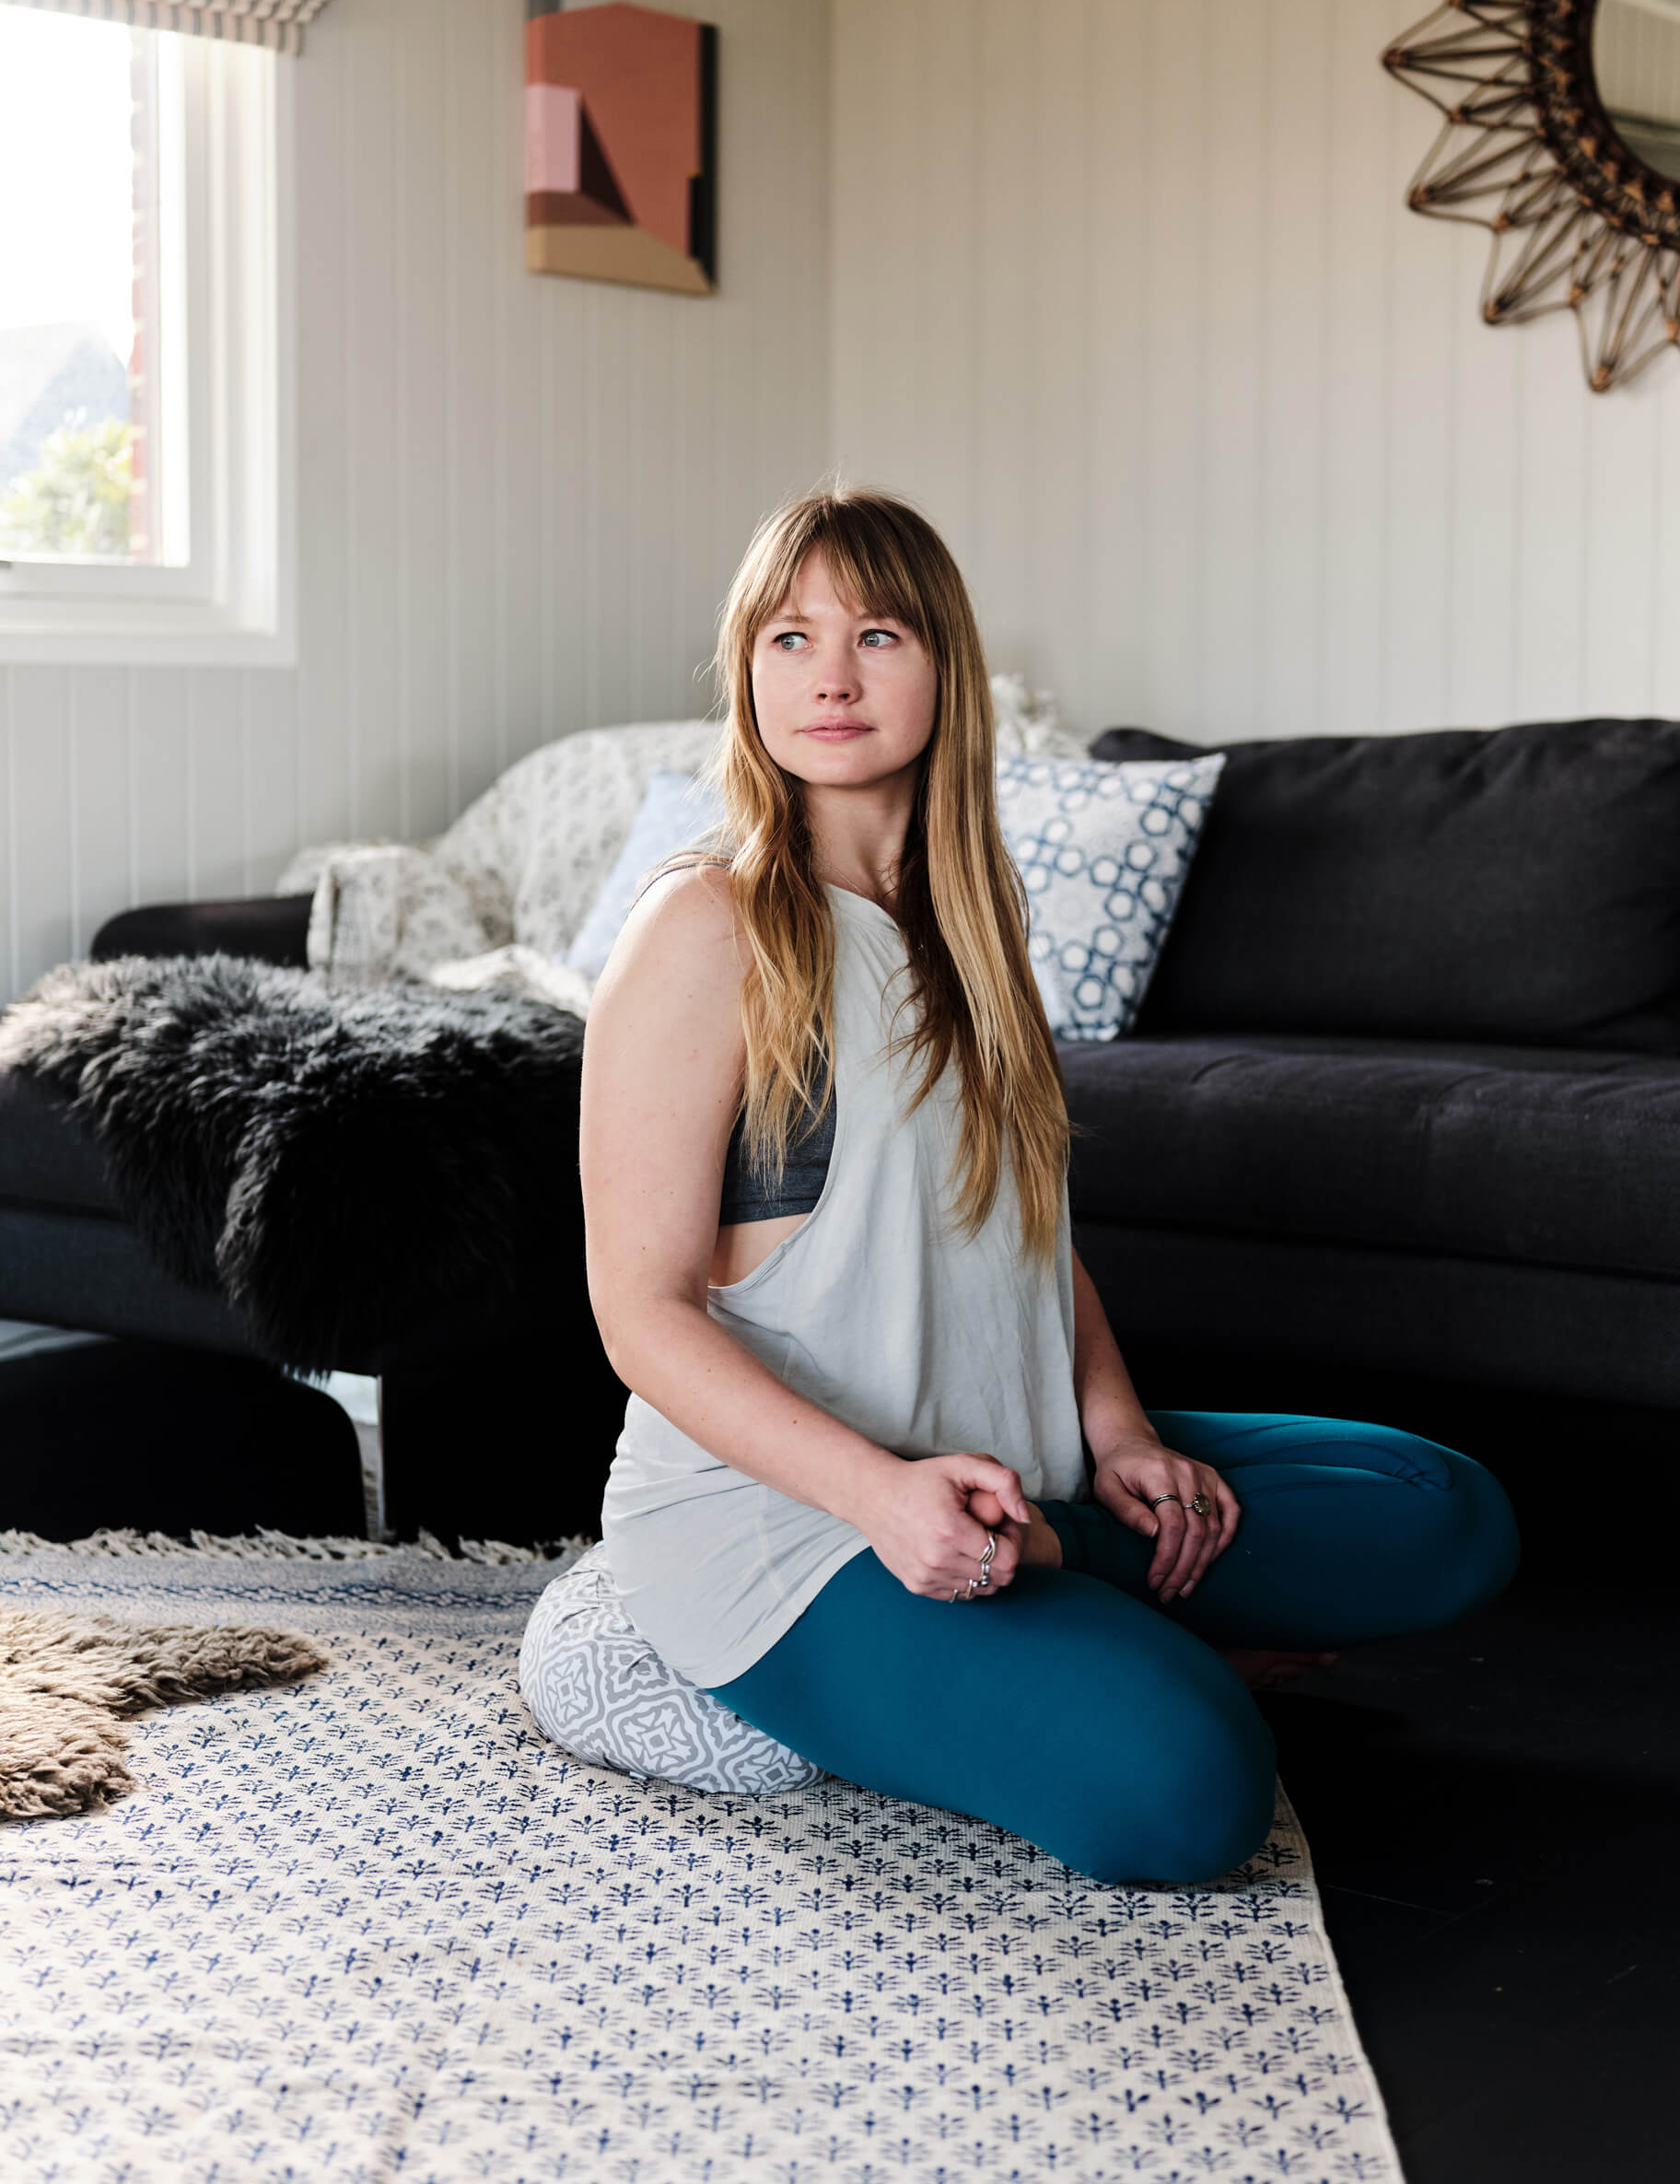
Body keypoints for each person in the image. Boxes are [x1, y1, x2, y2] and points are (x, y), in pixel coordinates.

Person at [573, 485, 1519, 1886]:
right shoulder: (709, 924)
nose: (829, 675)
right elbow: (638, 1312)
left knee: (1439, 1513)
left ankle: (1062, 1576)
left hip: (1018, 1472)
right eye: (788, 637)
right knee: (1188, 1789)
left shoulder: (974, 916)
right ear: (745, 669)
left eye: (877, 633)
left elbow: (1019, 1227)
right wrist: (891, 1504)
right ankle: (1091, 1647)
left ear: (945, 666)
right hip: (795, 1524)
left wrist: (1124, 1432)